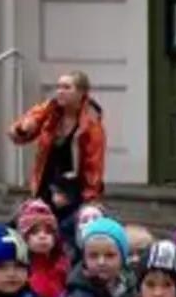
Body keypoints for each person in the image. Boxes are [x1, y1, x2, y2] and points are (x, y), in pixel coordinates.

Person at [8, 70, 107, 208]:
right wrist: (22, 129)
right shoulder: (48, 110)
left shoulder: (90, 123)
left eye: (66, 87)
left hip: (72, 189)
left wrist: (90, 198)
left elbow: (94, 165)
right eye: (58, 87)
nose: (60, 91)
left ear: (81, 92)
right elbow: (19, 135)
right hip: (45, 182)